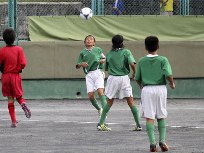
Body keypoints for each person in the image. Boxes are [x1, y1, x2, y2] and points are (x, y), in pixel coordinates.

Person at [135, 36, 175, 152]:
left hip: (147, 89)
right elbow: (168, 74)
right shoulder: (163, 59)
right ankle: (162, 140)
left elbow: (137, 77)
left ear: (145, 47)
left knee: (149, 117)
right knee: (161, 115)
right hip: (161, 88)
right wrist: (171, 83)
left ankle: (152, 143)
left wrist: (141, 86)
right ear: (158, 46)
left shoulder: (142, 60)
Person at [97, 34, 142, 131]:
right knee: (130, 101)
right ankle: (138, 125)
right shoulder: (126, 52)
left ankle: (101, 124)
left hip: (113, 78)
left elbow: (107, 68)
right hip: (124, 78)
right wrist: (134, 72)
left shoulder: (109, 54)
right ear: (122, 42)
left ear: (112, 43)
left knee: (109, 102)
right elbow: (132, 63)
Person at [0, 28, 31, 128]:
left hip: (5, 76)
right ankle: (23, 103)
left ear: (4, 39)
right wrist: (19, 68)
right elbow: (23, 63)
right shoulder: (19, 49)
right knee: (18, 95)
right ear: (14, 38)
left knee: (10, 98)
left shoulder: (2, 51)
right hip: (15, 75)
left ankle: (13, 121)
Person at [76, 35, 107, 119]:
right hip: (89, 74)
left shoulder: (98, 50)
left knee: (100, 92)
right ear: (84, 42)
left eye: (91, 39)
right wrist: (82, 64)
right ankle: (99, 109)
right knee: (90, 95)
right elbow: (78, 65)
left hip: (98, 72)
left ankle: (104, 112)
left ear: (94, 42)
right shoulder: (82, 53)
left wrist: (102, 60)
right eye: (87, 39)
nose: (89, 40)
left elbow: (104, 58)